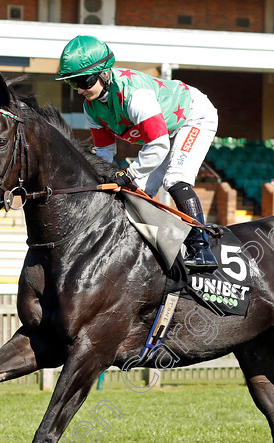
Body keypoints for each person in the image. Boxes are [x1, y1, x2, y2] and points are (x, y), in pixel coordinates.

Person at [56, 35, 218, 272]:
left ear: (103, 73)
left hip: (193, 117)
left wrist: (128, 173)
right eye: (73, 83)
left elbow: (159, 144)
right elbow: (104, 152)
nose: (80, 89)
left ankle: (201, 247)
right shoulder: (91, 106)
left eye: (83, 81)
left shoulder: (134, 96)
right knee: (138, 192)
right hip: (163, 132)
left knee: (175, 179)